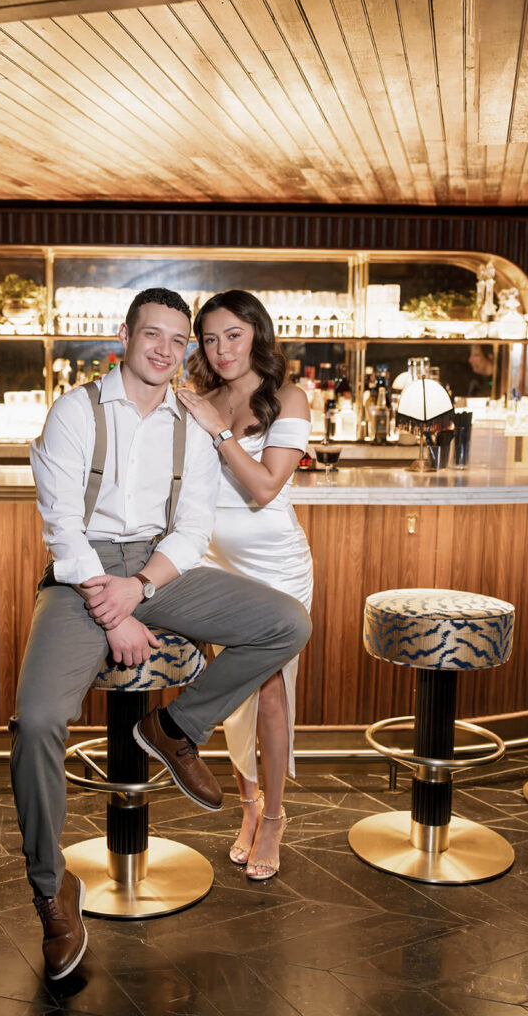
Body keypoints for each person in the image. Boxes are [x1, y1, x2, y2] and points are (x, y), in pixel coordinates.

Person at [11, 287, 312, 983]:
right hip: (81, 573)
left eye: (182, 342)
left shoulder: (191, 418)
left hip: (160, 567)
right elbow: (61, 526)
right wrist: (112, 608)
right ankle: (51, 889)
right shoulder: (75, 410)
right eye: (156, 336)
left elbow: (191, 527)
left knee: (285, 623)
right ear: (125, 334)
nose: (168, 351)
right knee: (36, 720)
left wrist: (143, 588)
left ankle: (176, 727)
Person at [176, 289, 313, 881]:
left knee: (273, 692)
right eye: (209, 338)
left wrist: (215, 429)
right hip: (213, 563)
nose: (221, 348)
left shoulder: (287, 397)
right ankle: (249, 808)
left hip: (277, 565)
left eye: (233, 334)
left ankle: (275, 817)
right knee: (234, 699)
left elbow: (263, 488)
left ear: (256, 332)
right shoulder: (199, 399)